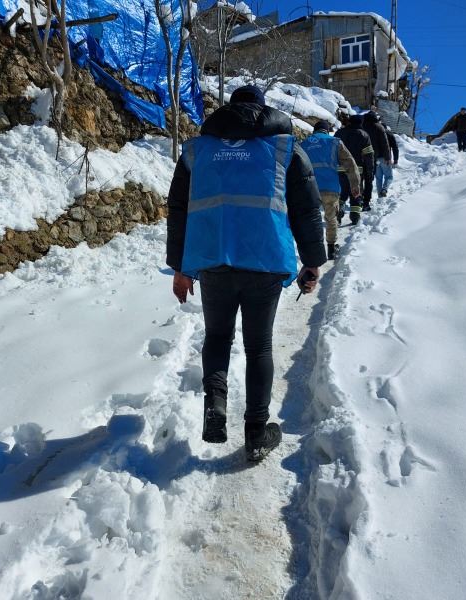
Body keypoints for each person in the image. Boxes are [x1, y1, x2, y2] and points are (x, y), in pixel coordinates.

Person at [166, 85, 327, 462]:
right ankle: (256, 431)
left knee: (218, 337)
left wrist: (180, 269)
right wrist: (312, 260)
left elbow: (178, 210)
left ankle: (215, 407)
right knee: (259, 347)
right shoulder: (286, 148)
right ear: (262, 110)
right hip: (265, 260)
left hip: (213, 259)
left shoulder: (196, 151)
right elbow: (307, 209)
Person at [300, 120, 361, 260]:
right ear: (327, 131)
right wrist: (355, 185)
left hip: (309, 188)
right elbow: (350, 164)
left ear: (315, 131)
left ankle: (311, 251)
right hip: (330, 187)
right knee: (331, 218)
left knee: (310, 219)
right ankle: (331, 249)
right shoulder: (335, 142)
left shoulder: (304, 144)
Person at [335, 114, 374, 218]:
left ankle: (340, 209)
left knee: (342, 191)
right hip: (357, 170)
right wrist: (370, 171)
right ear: (360, 123)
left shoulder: (339, 133)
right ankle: (355, 216)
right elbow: (369, 156)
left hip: (340, 169)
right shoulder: (364, 135)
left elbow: (333, 151)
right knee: (356, 192)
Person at [362, 111, 392, 199]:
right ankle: (384, 190)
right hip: (382, 156)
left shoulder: (363, 128)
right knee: (389, 176)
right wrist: (388, 157)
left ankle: (380, 196)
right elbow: (385, 143)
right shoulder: (379, 127)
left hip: (371, 158)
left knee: (378, 179)